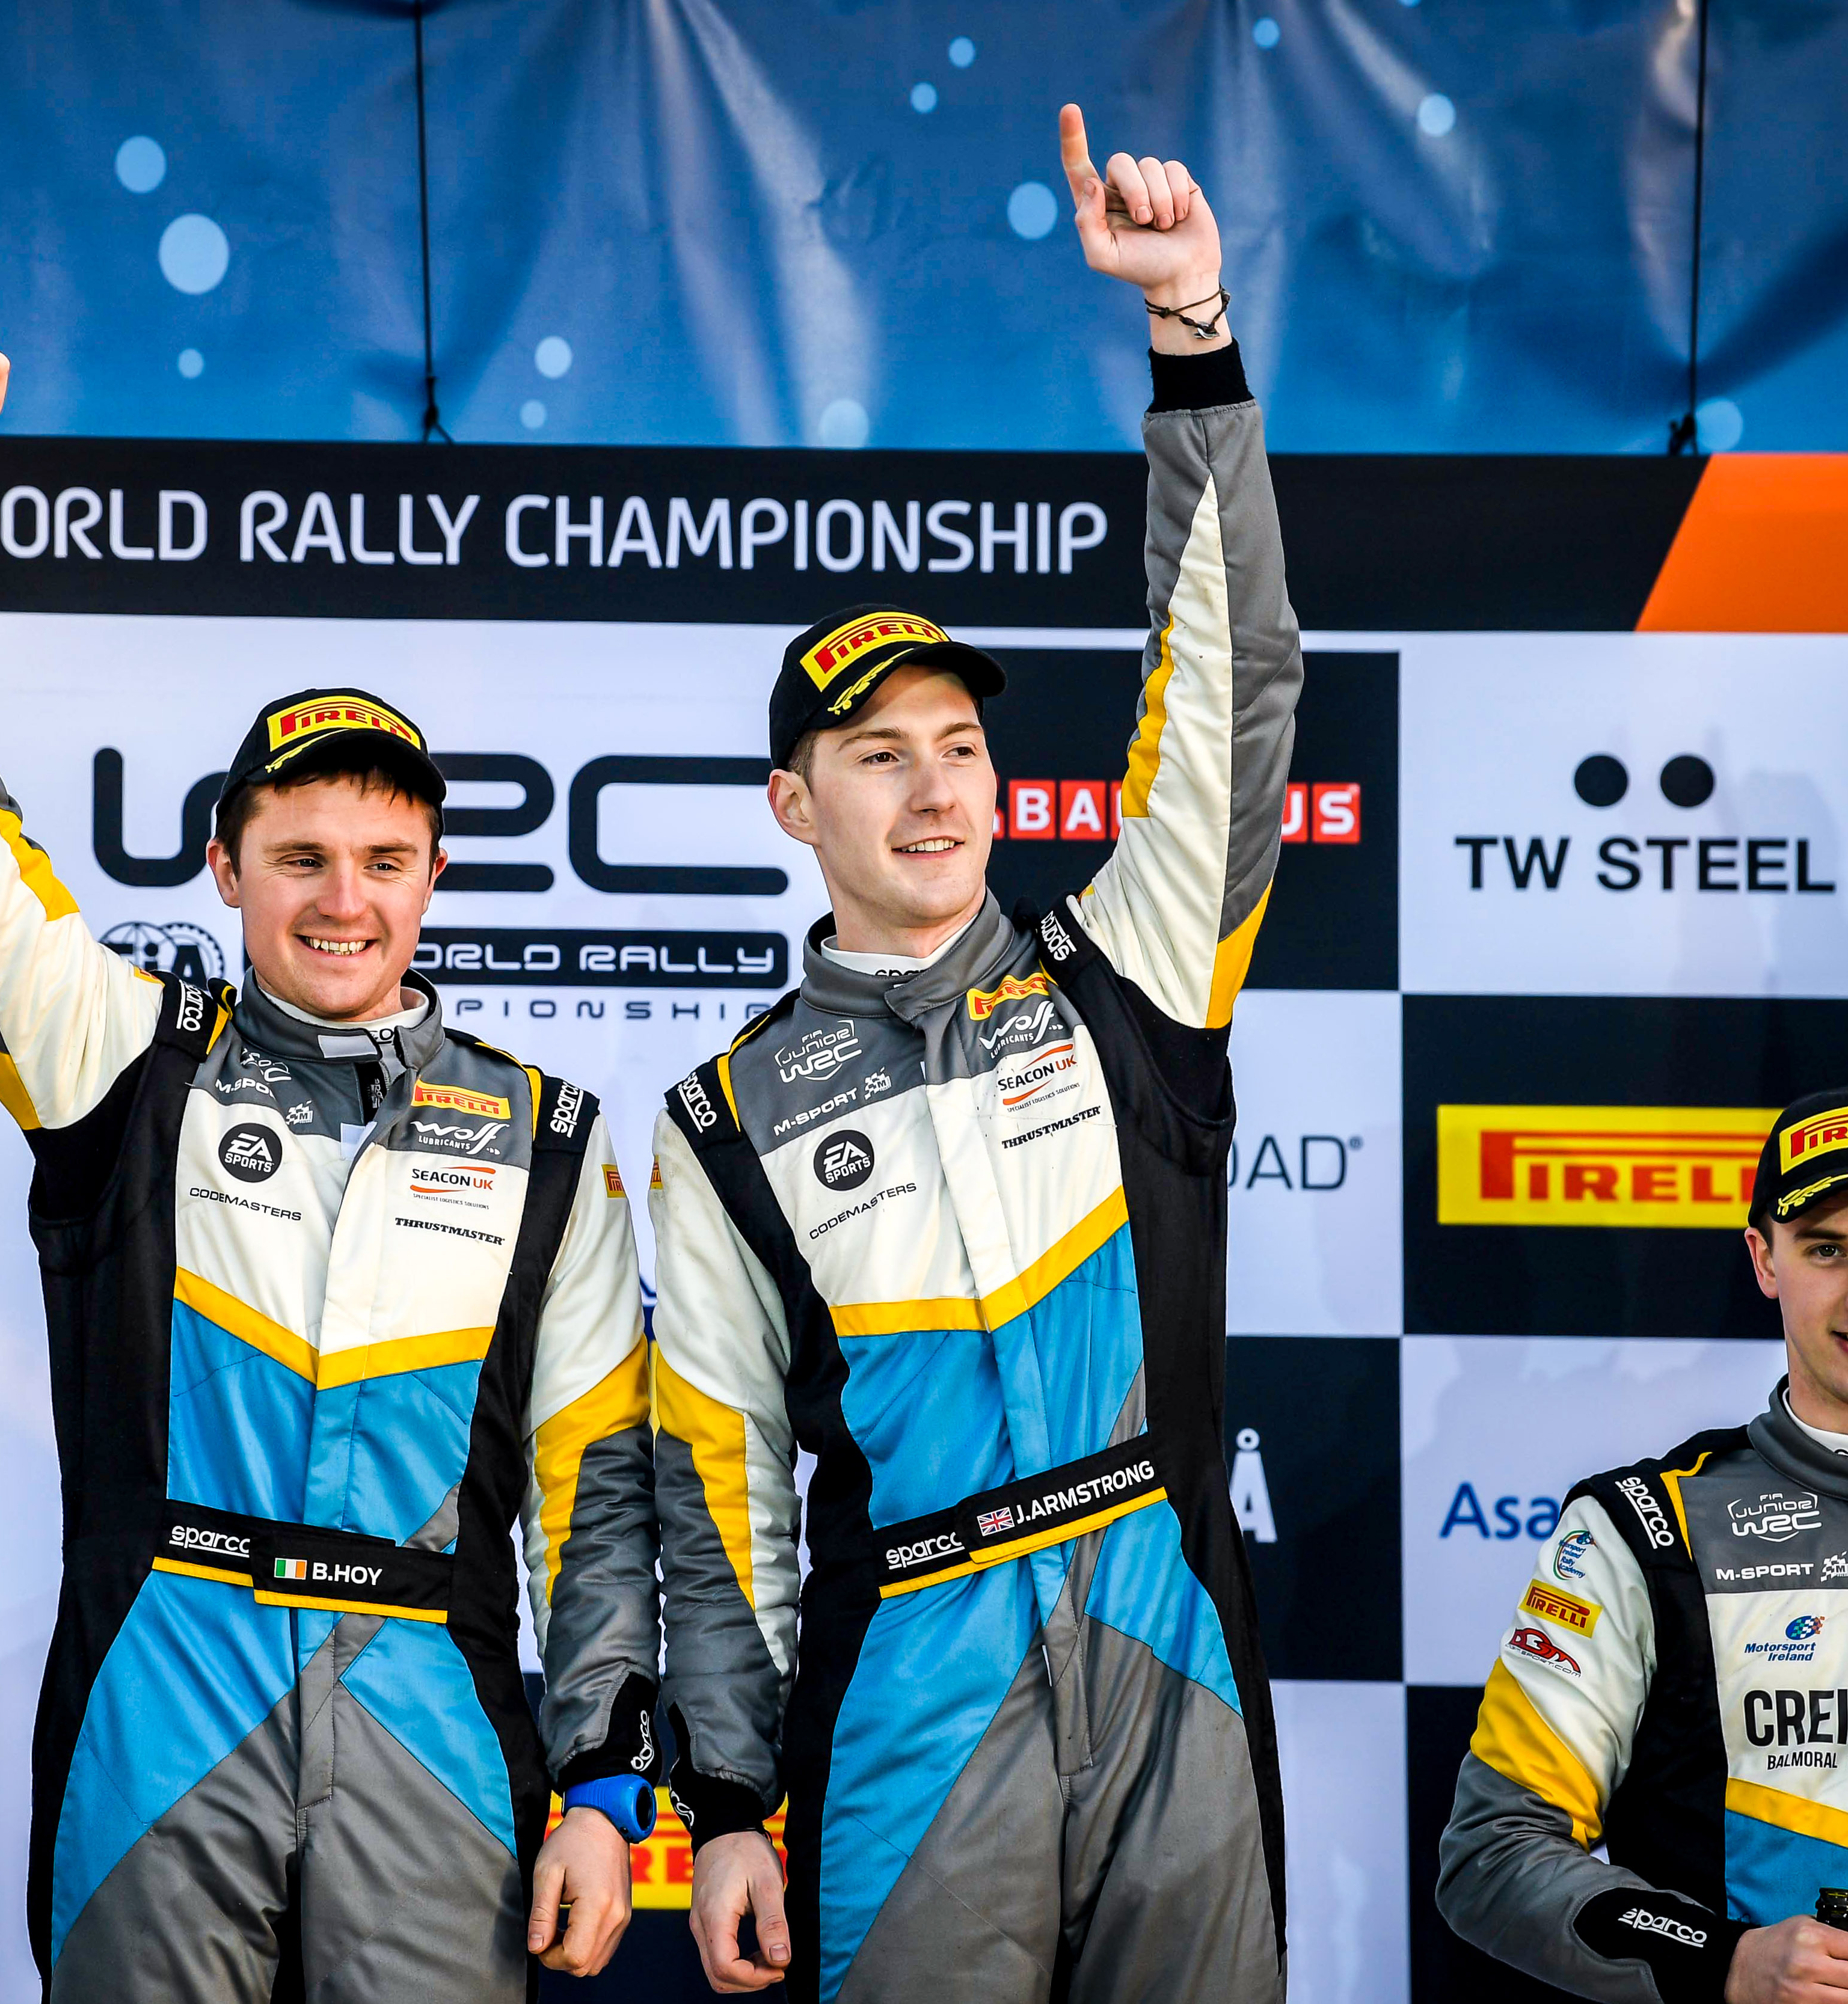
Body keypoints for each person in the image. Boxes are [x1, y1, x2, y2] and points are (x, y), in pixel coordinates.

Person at [0, 320, 658, 1999]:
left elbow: (598, 1499)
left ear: (433, 876)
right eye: (299, 856)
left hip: (433, 1706)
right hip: (164, 1685)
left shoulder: (550, 1136)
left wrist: (600, 1782)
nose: (343, 899)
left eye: (384, 858)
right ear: (223, 866)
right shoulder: (122, 1056)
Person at [647, 107, 1298, 2003]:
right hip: (908, 1685)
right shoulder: (725, 1114)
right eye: (879, 754)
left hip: (1167, 1641)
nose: (935, 789)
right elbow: (718, 1484)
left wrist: (1191, 333)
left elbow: (1232, 687)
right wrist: (730, 1800)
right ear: (795, 802)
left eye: (959, 745)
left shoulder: (1133, 966)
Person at [1437, 1083, 1848, 2004]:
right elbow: (1492, 1850)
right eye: (1827, 1248)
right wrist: (1721, 1961)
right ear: (1765, 1258)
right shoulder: (1645, 1531)